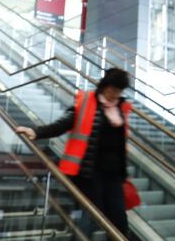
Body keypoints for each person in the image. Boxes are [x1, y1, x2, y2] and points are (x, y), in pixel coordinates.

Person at [15, 68, 132, 236]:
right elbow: (64, 123)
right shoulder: (87, 101)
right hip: (90, 172)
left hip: (113, 175)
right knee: (92, 216)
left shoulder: (121, 108)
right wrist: (37, 132)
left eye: (119, 91)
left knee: (119, 218)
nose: (115, 94)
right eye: (112, 89)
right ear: (105, 86)